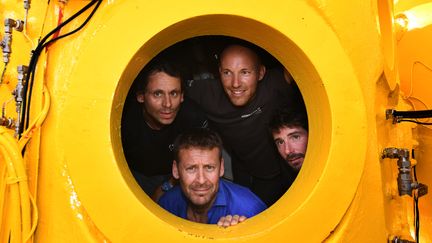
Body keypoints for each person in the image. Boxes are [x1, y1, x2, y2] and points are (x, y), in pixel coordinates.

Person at [186, 40, 305, 206]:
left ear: (261, 73)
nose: (235, 83)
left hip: (273, 174)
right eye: (227, 72)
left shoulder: (274, 85)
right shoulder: (207, 93)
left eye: (245, 72)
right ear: (219, 72)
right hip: (240, 168)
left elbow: (306, 59)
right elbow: (170, 91)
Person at [121, 57, 207, 199]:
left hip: (178, 176)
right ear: (141, 96)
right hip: (134, 174)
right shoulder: (124, 121)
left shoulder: (192, 118)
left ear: (182, 96)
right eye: (158, 94)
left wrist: (169, 185)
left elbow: (200, 163)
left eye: (174, 93)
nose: (167, 104)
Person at [158, 128, 267, 226]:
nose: (201, 180)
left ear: (222, 168)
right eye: (191, 168)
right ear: (176, 170)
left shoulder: (250, 211)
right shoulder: (167, 205)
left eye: (209, 168)